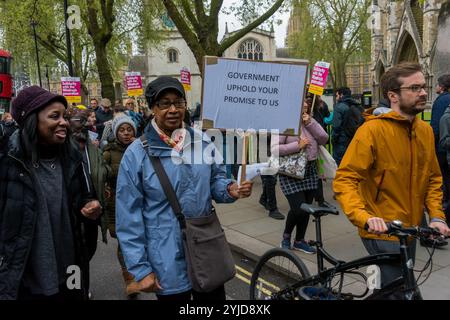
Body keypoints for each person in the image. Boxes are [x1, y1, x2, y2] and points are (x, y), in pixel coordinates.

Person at [115, 76, 253, 301]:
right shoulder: (135, 154)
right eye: (164, 103)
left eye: (178, 102)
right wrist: (141, 269)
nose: (172, 109)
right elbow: (128, 218)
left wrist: (230, 190)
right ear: (152, 108)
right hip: (165, 257)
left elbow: (216, 180)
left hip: (205, 246)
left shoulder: (202, 141)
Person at [333, 63, 450, 295]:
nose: (424, 92)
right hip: (380, 228)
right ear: (393, 95)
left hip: (411, 229)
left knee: (389, 288)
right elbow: (345, 180)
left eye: (424, 86)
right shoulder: (371, 131)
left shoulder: (424, 131)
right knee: (403, 291)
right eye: (415, 88)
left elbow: (433, 179)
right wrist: (363, 217)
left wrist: (436, 215)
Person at [0, 86, 101, 300]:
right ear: (32, 121)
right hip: (25, 280)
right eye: (55, 116)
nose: (64, 122)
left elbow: (86, 199)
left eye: (64, 116)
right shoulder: (8, 163)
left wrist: (90, 208)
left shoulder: (73, 157)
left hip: (71, 271)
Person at [274, 100, 328, 254]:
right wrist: (297, 146)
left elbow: (324, 139)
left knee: (306, 208)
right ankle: (286, 237)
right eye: (302, 107)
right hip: (291, 172)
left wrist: (310, 123)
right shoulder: (285, 123)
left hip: (310, 170)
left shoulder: (311, 122)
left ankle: (299, 240)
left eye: (306, 108)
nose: (305, 110)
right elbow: (274, 149)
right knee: (298, 209)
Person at [102, 114, 140, 298]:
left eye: (129, 129)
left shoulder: (141, 148)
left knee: (141, 239)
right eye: (122, 130)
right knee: (125, 241)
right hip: (117, 206)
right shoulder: (108, 153)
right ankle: (129, 278)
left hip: (140, 203)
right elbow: (101, 178)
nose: (126, 133)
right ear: (116, 133)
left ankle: (141, 270)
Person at [331, 87, 363, 166]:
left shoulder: (339, 107)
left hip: (341, 142)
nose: (337, 97)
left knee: (340, 165)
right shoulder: (358, 106)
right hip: (355, 140)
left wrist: (333, 139)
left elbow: (336, 126)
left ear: (341, 95)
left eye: (337, 95)